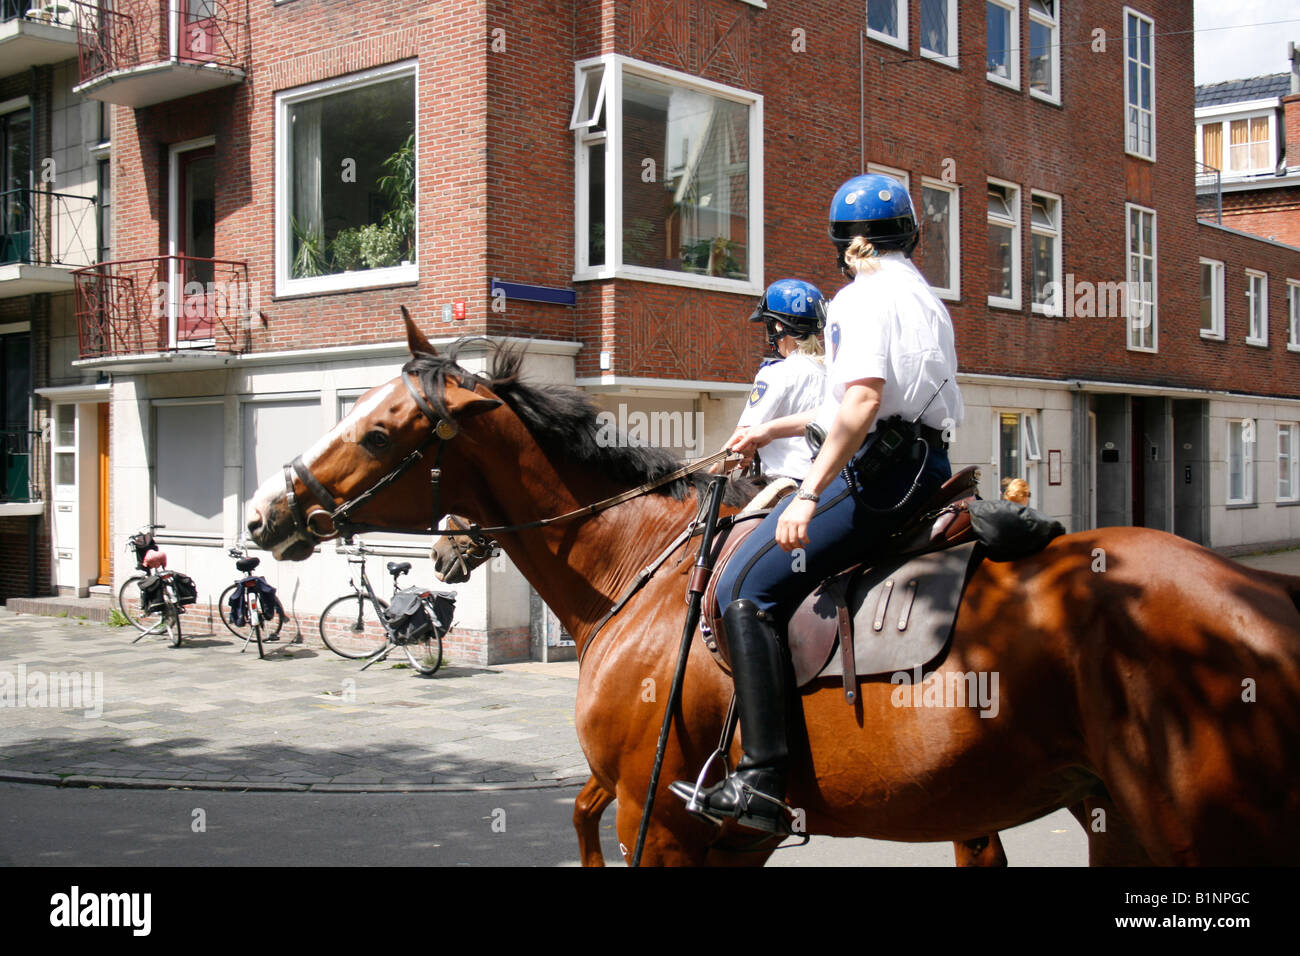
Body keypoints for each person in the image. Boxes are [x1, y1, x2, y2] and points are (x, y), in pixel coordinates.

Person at [673, 172, 965, 833]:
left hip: (883, 473)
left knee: (744, 589)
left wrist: (807, 495)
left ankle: (762, 781)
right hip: (929, 461)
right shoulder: (927, 298)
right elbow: (842, 405)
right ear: (910, 235)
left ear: (846, 244)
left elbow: (860, 404)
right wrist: (775, 433)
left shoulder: (859, 299)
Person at [723, 278, 828, 486]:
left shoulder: (775, 374)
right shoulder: (835, 372)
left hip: (785, 486)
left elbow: (739, 441)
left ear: (779, 327)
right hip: (830, 484)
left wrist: (708, 471)